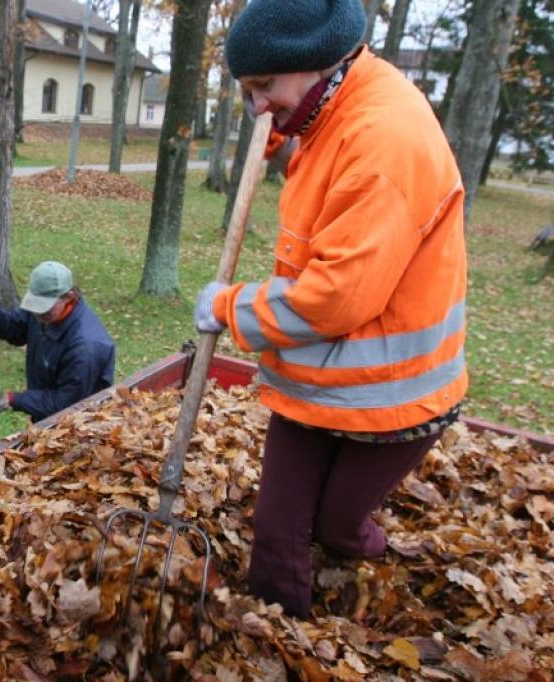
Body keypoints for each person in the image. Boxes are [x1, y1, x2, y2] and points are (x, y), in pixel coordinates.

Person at [193, 0, 468, 618]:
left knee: (337, 526)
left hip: (395, 398)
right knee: (278, 524)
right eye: (247, 92)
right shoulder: (336, 105)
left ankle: (365, 562)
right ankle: (276, 637)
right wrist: (282, 134)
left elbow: (337, 296)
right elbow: (323, 160)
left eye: (264, 87)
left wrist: (232, 308)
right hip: (319, 379)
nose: (257, 107)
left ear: (318, 63)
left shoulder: (384, 140)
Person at [0, 261, 116, 422]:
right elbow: (18, 329)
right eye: (35, 307)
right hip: (48, 421)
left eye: (44, 308)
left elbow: (66, 404)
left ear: (69, 297)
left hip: (77, 428)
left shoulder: (85, 347)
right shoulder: (45, 314)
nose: (38, 314)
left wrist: (14, 399)